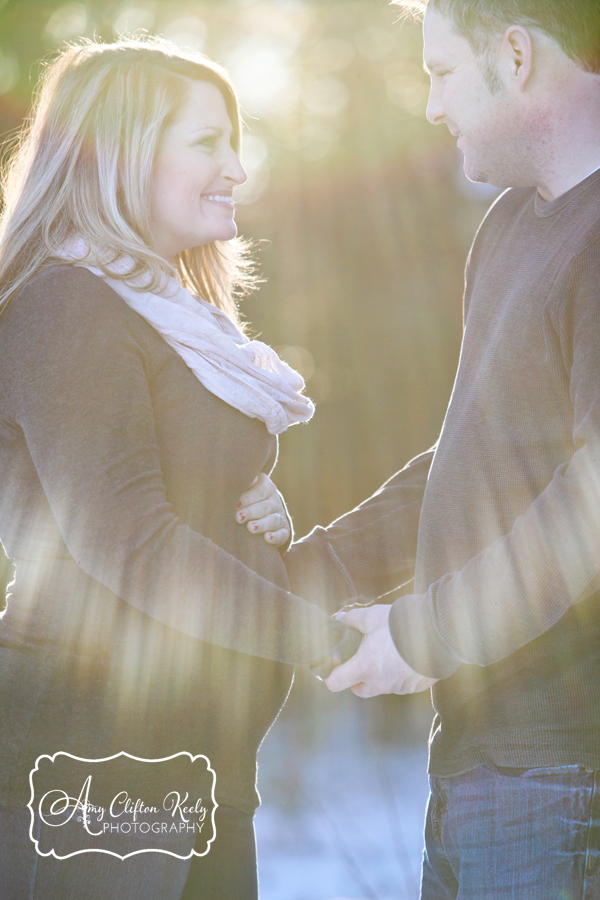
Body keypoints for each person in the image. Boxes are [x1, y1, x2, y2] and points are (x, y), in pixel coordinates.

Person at [0, 37, 360, 900]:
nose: (237, 167)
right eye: (207, 143)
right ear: (121, 152)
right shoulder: (68, 306)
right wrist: (327, 637)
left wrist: (257, 510)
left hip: (188, 756)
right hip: (95, 757)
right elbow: (129, 541)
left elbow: (165, 487)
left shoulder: (169, 318)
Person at [259, 0, 600, 896]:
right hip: (481, 774)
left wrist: (428, 632)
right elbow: (470, 461)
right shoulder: (507, 231)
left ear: (516, 56)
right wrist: (310, 572)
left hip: (568, 779)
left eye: (442, 71)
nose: (431, 105)